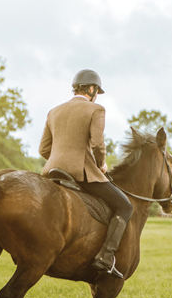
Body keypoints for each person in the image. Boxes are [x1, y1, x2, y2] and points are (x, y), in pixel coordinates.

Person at [39, 70, 132, 279]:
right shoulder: (96, 109)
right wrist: (102, 165)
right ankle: (106, 257)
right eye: (96, 90)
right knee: (125, 206)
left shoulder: (54, 111)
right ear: (91, 89)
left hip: (53, 172)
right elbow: (98, 144)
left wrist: (59, 158)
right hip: (81, 173)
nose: (96, 94)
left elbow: (43, 149)